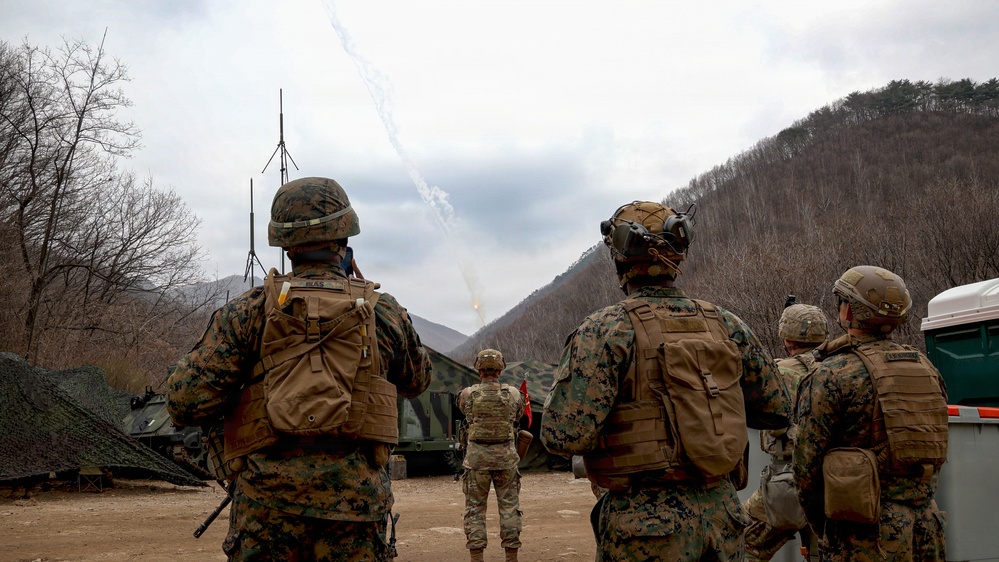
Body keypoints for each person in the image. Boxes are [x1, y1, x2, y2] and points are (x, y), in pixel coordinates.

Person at [167, 176, 432, 561]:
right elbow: (417, 381)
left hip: (265, 508)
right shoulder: (383, 312)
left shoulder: (249, 311)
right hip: (356, 509)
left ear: (286, 246)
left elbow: (185, 402)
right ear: (345, 241)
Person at [540, 200, 792, 561]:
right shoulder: (725, 324)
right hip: (723, 517)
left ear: (620, 259)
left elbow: (563, 434)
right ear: (680, 253)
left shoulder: (605, 330)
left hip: (643, 525)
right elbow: (778, 410)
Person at [793, 266, 948, 561]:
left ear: (849, 311)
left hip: (864, 535)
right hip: (927, 528)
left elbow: (805, 470)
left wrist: (827, 529)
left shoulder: (830, 373)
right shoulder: (926, 368)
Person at [743, 303, 828, 561]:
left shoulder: (778, 372)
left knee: (739, 542)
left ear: (787, 337)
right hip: (835, 481)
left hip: (789, 480)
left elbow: (768, 419)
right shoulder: (837, 368)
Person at [457, 348, 526, 562]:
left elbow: (463, 411)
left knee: (475, 510)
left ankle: (477, 557)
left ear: (479, 368)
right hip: (506, 459)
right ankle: (511, 556)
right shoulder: (513, 394)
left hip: (477, 460)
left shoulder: (468, 394)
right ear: (500, 368)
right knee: (509, 508)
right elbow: (519, 414)